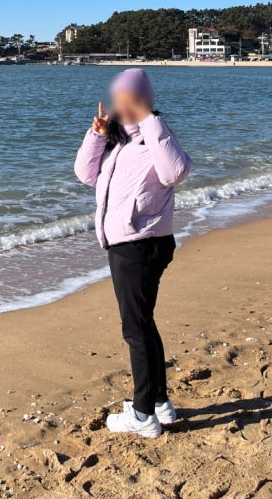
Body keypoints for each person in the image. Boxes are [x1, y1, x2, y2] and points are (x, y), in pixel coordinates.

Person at [74, 68, 192, 438]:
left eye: (131, 100)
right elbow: (85, 175)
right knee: (143, 323)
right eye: (118, 100)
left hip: (140, 243)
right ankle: (159, 402)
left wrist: (149, 119)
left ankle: (142, 415)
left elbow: (176, 172)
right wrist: (97, 135)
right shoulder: (117, 140)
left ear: (144, 100)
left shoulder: (155, 136)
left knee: (135, 328)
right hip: (126, 241)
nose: (122, 107)